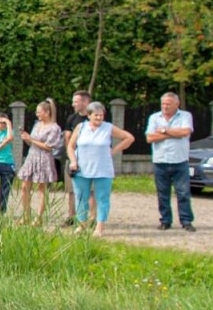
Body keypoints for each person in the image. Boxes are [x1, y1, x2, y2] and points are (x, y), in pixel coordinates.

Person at [66, 100, 135, 237]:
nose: (98, 118)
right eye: (96, 115)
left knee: (102, 198)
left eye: (101, 115)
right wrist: (73, 161)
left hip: (103, 169)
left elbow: (129, 138)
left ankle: (100, 226)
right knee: (81, 197)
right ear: (89, 115)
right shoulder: (81, 127)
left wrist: (114, 151)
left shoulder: (108, 127)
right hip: (82, 168)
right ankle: (81, 224)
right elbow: (71, 146)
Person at [147, 91, 196, 232]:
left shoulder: (185, 116)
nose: (165, 106)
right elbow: (150, 138)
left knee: (183, 193)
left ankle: (186, 221)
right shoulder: (154, 117)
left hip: (180, 160)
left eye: (168, 104)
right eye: (163, 104)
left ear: (177, 104)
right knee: (162, 193)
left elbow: (185, 132)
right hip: (160, 161)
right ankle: (165, 220)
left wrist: (163, 131)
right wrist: (173, 133)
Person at [16, 99, 63, 226]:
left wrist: (31, 139)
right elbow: (32, 143)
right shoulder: (37, 125)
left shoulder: (54, 128)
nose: (37, 114)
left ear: (47, 112)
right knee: (24, 186)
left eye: (39, 112)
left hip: (44, 159)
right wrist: (26, 138)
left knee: (42, 188)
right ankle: (26, 215)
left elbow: (49, 147)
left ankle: (39, 218)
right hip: (32, 157)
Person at [59, 89, 90, 225]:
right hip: (72, 158)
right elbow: (67, 137)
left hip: (89, 159)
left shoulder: (93, 118)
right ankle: (71, 216)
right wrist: (70, 154)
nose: (73, 104)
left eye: (76, 102)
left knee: (91, 190)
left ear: (85, 102)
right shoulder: (71, 118)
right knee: (71, 190)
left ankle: (91, 218)